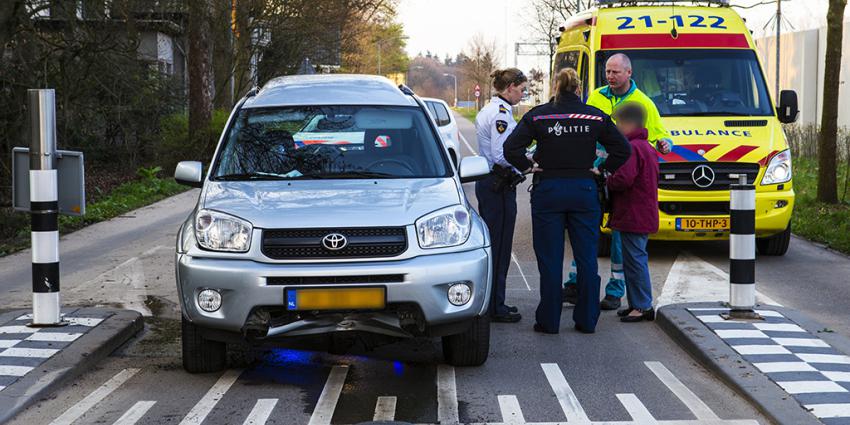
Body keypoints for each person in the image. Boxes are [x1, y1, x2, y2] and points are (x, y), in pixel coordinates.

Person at [504, 68, 630, 334]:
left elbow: (511, 148)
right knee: (586, 259)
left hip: (548, 190)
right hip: (584, 190)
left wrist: (528, 166)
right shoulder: (594, 116)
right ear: (578, 88)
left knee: (550, 259)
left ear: (555, 87)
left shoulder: (538, 115)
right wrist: (604, 168)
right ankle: (586, 319)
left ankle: (549, 321)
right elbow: (623, 148)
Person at [562, 52, 672, 311]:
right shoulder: (597, 96)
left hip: (620, 179)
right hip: (595, 175)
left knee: (621, 242)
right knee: (585, 230)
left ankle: (615, 291)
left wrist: (666, 144)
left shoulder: (642, 103)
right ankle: (576, 285)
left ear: (629, 73)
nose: (610, 76)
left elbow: (658, 136)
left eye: (615, 72)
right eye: (608, 71)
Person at [475, 68, 528, 323]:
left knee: (495, 244)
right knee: (500, 245)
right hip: (498, 184)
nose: (523, 94)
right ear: (509, 88)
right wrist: (527, 162)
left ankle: (494, 301)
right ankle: (496, 305)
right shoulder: (501, 114)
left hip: (491, 182)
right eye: (521, 89)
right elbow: (501, 155)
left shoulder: (492, 109)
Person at [604, 102, 659, 323]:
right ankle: (636, 303)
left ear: (629, 123)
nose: (617, 126)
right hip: (641, 212)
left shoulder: (633, 148)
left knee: (635, 261)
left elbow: (624, 179)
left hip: (633, 213)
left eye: (619, 122)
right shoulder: (646, 147)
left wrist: (607, 179)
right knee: (633, 259)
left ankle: (643, 305)